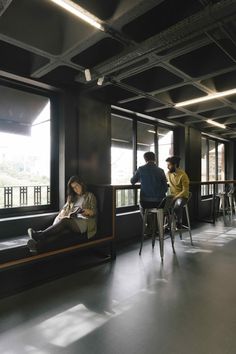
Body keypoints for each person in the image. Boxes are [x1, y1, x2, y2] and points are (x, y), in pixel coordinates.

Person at [27, 176, 97, 253]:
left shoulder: (90, 196)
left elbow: (94, 212)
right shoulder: (73, 197)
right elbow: (64, 209)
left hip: (86, 222)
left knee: (65, 221)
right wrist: (63, 213)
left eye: (77, 186)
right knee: (62, 231)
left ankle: (39, 235)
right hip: (73, 221)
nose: (75, 189)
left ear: (81, 184)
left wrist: (85, 211)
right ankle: (38, 245)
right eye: (73, 188)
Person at [166, 156, 189, 229]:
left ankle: (179, 222)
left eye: (169, 165)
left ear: (175, 165)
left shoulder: (183, 175)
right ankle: (169, 224)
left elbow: (185, 190)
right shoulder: (168, 174)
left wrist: (175, 197)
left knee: (177, 206)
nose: (167, 167)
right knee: (164, 207)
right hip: (172, 196)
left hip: (182, 197)